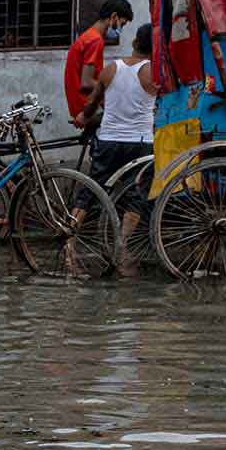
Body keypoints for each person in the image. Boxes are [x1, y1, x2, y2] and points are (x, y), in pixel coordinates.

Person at [78, 22, 156, 272]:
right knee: (137, 194)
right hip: (140, 144)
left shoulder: (111, 68)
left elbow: (92, 103)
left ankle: (69, 234)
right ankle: (121, 244)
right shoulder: (153, 73)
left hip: (109, 139)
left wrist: (82, 117)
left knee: (91, 189)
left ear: (134, 42)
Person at [66, 0, 133, 129]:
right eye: (122, 24)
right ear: (114, 17)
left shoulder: (87, 37)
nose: (120, 30)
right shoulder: (95, 41)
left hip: (82, 105)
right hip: (87, 108)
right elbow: (86, 82)